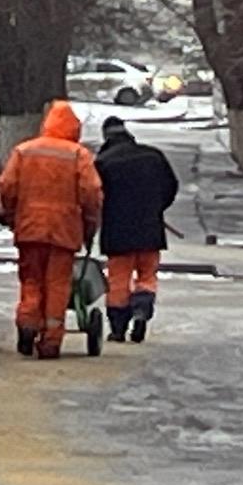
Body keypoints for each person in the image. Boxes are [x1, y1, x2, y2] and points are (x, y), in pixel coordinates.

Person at [0, 101, 103, 360]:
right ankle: (51, 340)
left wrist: (11, 215)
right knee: (58, 284)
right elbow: (91, 193)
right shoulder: (78, 155)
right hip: (64, 231)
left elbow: (7, 186)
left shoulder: (24, 151)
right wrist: (90, 225)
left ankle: (27, 323)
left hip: (30, 227)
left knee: (31, 279)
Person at [95, 116, 180, 343]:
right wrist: (156, 208)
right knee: (147, 275)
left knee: (118, 280)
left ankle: (118, 329)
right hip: (150, 229)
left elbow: (94, 196)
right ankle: (142, 309)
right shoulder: (153, 156)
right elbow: (171, 186)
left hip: (117, 232)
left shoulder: (103, 162)